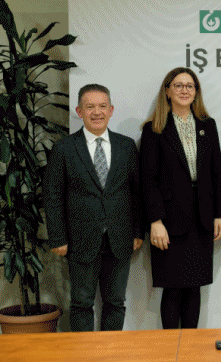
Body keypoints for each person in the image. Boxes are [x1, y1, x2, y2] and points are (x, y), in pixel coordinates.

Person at [44, 84, 144, 332]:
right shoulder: (64, 148)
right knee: (81, 303)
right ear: (79, 111)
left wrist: (137, 232)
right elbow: (53, 196)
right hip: (79, 239)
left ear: (111, 110)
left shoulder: (126, 146)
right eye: (90, 107)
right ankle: (83, 352)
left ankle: (109, 351)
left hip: (120, 238)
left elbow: (137, 193)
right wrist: (58, 237)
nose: (96, 112)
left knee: (116, 302)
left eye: (102, 106)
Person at [140, 67, 221, 329]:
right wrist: (155, 221)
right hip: (169, 222)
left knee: (194, 287)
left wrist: (219, 214)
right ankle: (170, 347)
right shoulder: (154, 129)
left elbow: (216, 171)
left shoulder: (207, 125)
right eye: (178, 85)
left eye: (190, 86)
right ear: (167, 91)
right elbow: (148, 180)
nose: (184, 90)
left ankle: (190, 346)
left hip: (202, 218)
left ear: (196, 92)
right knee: (173, 287)